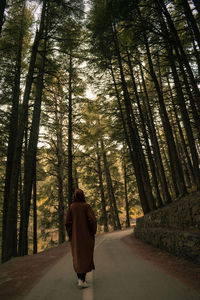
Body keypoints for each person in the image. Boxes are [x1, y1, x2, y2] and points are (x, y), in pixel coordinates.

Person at [65, 188, 97, 288]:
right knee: (85, 256)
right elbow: (92, 220)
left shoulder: (71, 207)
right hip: (86, 236)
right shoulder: (86, 206)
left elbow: (67, 223)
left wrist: (71, 235)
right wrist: (92, 232)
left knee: (77, 257)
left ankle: (80, 279)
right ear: (83, 196)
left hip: (75, 237)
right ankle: (82, 280)